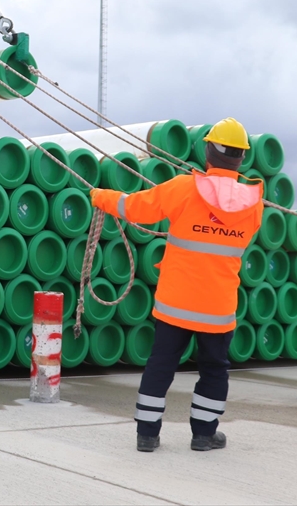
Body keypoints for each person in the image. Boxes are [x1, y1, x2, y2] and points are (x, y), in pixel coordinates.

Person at [91, 117, 264, 452]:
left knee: (161, 365)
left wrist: (101, 196)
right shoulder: (253, 203)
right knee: (214, 370)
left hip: (176, 303)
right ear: (241, 157)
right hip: (217, 307)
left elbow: (136, 208)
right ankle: (203, 434)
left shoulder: (184, 187)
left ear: (208, 151)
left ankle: (147, 434)